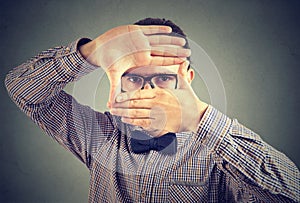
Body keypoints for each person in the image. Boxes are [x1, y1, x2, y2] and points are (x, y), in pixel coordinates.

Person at [5, 18, 299, 202]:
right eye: (133, 78)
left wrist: (199, 117)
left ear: (186, 79)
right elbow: (22, 89)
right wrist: (91, 52)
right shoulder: (98, 135)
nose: (148, 91)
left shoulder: (219, 153)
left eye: (163, 77)